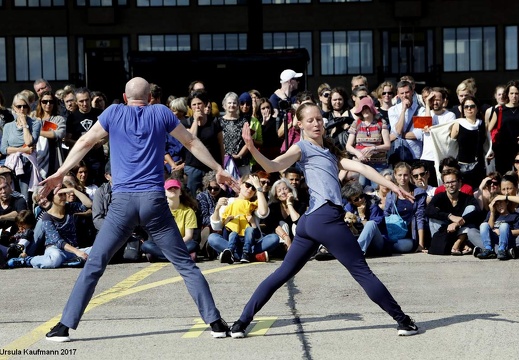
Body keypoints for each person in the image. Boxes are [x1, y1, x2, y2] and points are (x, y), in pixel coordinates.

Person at [40, 77, 234, 342]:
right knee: (186, 266)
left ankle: (64, 326)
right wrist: (218, 168)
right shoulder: (161, 113)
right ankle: (216, 323)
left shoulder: (113, 112)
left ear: (124, 96)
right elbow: (191, 143)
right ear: (150, 98)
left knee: (95, 264)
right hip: (154, 202)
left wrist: (60, 173)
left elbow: (85, 142)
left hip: (122, 204)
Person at [230, 102, 418, 338]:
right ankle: (403, 321)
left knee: (282, 274)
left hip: (310, 222)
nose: (316, 123)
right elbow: (274, 165)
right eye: (310, 120)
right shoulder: (301, 148)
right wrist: (252, 148)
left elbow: (360, 167)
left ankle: (240, 324)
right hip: (325, 219)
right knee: (362, 272)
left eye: (319, 119)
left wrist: (392, 186)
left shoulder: (330, 152)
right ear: (300, 124)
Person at [7, 186, 93, 269]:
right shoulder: (46, 217)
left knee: (98, 250)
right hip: (56, 250)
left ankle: (69, 261)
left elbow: (89, 204)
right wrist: (77, 252)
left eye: (64, 194)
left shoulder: (70, 207)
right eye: (60, 195)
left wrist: (73, 190)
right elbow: (58, 241)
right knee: (55, 260)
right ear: (52, 198)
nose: (63, 197)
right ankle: (28, 260)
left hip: (72, 249)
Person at [425, 169, 481, 256]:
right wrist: (449, 216)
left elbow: (477, 211)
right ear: (444, 184)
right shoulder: (439, 197)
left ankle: (458, 243)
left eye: (453, 182)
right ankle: (453, 245)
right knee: (433, 217)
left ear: (459, 182)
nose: (450, 185)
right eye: (447, 183)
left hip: (461, 231)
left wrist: (459, 222)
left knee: (471, 209)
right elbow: (428, 210)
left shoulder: (467, 198)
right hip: (444, 231)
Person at [384, 162, 427, 253]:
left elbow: (420, 218)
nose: (402, 178)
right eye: (400, 175)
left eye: (405, 175)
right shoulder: (390, 195)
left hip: (411, 235)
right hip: (394, 234)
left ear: (410, 175)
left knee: (401, 246)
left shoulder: (419, 193)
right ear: (395, 175)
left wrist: (421, 244)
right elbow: (386, 215)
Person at [477, 194, 519, 260]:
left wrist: (502, 232)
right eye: (496, 205)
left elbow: (518, 231)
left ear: (506, 202)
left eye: (501, 203)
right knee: (483, 225)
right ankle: (488, 250)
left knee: (504, 225)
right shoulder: (492, 215)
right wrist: (492, 213)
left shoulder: (514, 216)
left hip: (507, 240)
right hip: (493, 240)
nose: (499, 206)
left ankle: (502, 250)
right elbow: (489, 227)